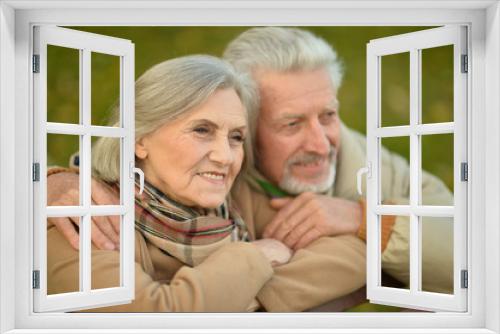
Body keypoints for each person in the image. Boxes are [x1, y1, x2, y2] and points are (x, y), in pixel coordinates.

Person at [51, 26, 454, 310]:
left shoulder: (369, 165)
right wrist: (54, 182)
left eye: (328, 115)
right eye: (291, 124)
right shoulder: (95, 212)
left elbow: (475, 257)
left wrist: (366, 219)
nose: (320, 143)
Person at [46, 54, 367, 312]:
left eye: (236, 137)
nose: (225, 156)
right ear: (139, 139)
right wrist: (254, 258)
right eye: (202, 130)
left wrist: (231, 296)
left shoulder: (235, 201)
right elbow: (155, 317)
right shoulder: (83, 219)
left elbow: (357, 254)